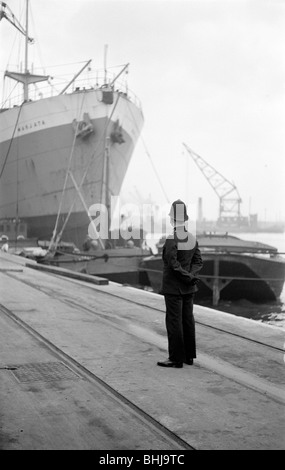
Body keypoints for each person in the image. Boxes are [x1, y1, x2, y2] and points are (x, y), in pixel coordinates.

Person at [157, 199, 203, 369]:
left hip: (173, 288)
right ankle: (189, 356)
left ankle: (176, 358)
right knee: (187, 320)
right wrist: (191, 276)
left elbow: (172, 264)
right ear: (185, 219)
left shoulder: (171, 239)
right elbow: (198, 261)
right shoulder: (192, 238)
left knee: (174, 322)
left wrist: (185, 276)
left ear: (172, 219)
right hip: (189, 288)